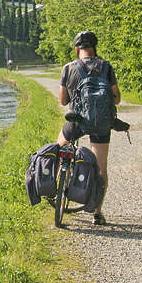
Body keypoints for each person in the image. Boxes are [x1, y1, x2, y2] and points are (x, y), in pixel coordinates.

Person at [58, 31, 120, 225]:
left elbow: (62, 101)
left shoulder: (69, 68)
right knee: (101, 167)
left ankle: (60, 187)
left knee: (59, 148)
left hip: (77, 121)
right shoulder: (106, 67)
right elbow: (117, 98)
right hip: (101, 123)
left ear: (77, 49)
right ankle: (97, 212)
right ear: (95, 48)